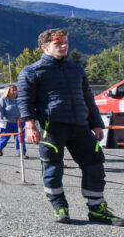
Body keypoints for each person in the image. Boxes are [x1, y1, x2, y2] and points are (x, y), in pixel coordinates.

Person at [17, 28, 121, 225]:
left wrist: (97, 124)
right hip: (52, 128)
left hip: (80, 127)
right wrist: (30, 125)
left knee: (95, 164)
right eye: (58, 43)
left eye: (66, 42)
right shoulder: (32, 71)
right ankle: (59, 206)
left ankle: (97, 209)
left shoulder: (76, 69)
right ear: (44, 47)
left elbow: (88, 99)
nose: (64, 46)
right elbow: (24, 101)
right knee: (52, 168)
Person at [0, 84, 26, 158]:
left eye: (15, 90)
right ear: (8, 92)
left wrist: (21, 116)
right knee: (4, 138)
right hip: (7, 123)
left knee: (20, 138)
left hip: (19, 123)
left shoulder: (20, 100)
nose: (14, 92)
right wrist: (1, 122)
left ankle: (21, 153)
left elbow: (25, 109)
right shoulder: (3, 100)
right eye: (13, 90)